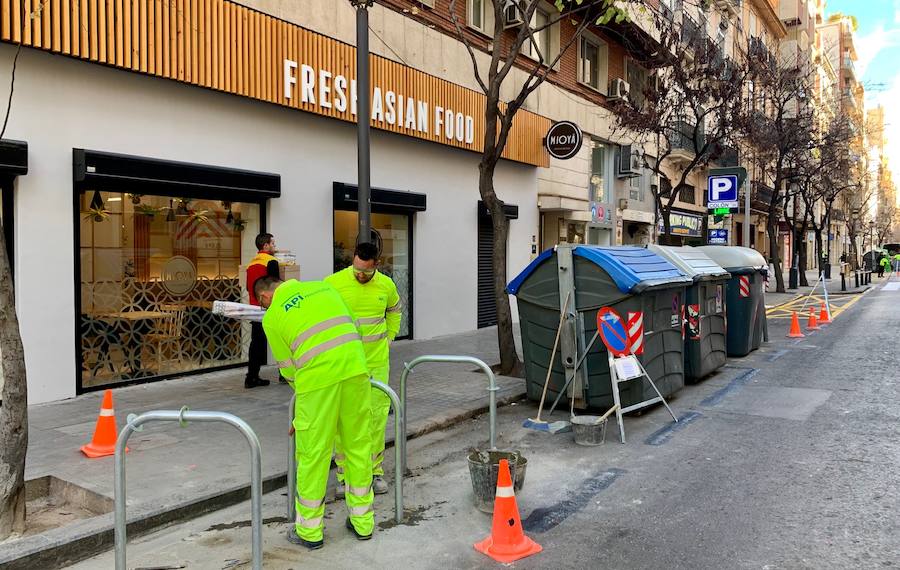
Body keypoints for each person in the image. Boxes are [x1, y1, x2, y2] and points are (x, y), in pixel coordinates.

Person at [255, 275, 375, 549]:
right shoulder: (325, 288)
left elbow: (287, 368)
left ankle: (310, 531)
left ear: (264, 297)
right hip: (356, 370)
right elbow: (354, 327)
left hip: (317, 382)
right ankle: (363, 522)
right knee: (357, 446)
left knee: (314, 454)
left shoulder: (272, 317)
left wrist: (303, 409)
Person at [325, 242, 401, 496]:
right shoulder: (334, 283)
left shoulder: (386, 285)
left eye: (366, 272)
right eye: (357, 269)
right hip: (345, 363)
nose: (360, 275)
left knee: (376, 419)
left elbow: (395, 311)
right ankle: (344, 476)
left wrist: (390, 336)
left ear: (376, 265)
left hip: (377, 362)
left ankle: (374, 471)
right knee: (345, 420)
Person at [245, 233, 280, 389]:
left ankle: (251, 377)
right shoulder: (271, 262)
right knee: (280, 340)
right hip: (270, 308)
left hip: (255, 308)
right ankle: (285, 375)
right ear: (265, 245)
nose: (274, 246)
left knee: (256, 344)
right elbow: (276, 287)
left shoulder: (251, 263)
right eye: (272, 243)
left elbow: (248, 287)